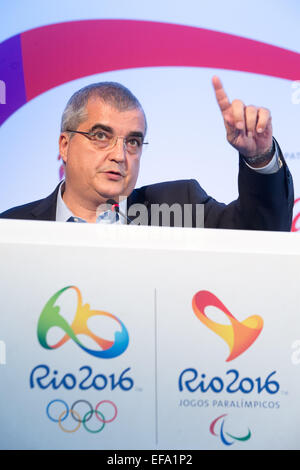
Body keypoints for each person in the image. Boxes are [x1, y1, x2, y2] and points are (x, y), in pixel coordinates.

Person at [0, 77, 294, 230]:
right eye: (101, 136)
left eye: (133, 142)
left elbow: (258, 231)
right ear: (64, 145)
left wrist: (259, 157)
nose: (119, 155)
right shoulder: (12, 229)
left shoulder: (181, 209)